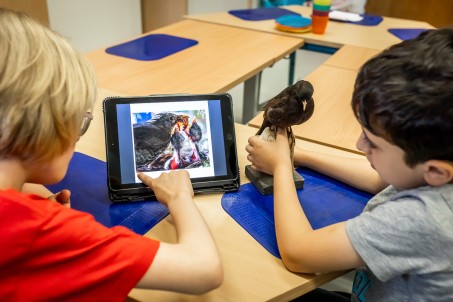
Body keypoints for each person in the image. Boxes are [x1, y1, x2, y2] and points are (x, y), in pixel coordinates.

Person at [0, 8, 222, 301]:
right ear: (43, 127)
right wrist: (180, 198)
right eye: (79, 121)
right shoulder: (40, 231)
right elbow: (204, 269)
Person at [246, 27, 453, 301]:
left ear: (436, 171)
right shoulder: (432, 173)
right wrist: (301, 155)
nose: (358, 145)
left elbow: (298, 252)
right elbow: (378, 180)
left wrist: (282, 167)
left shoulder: (421, 220)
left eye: (372, 142)